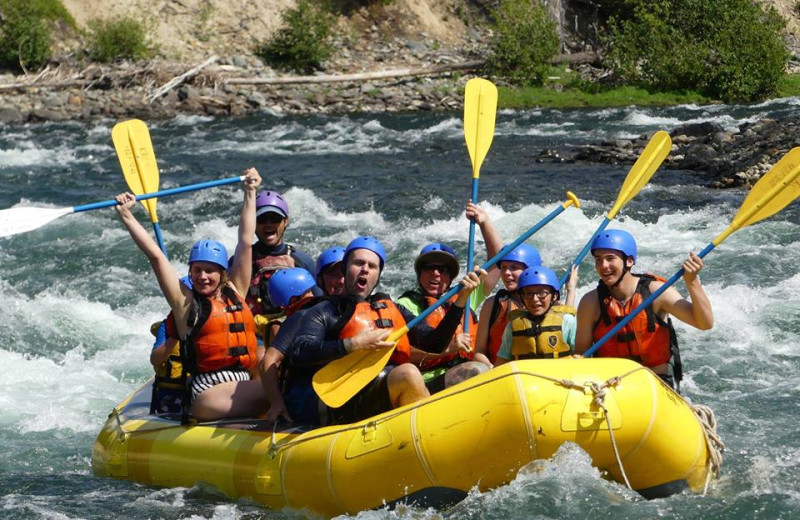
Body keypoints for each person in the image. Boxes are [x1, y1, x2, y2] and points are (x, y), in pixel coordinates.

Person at [264, 235, 484, 426]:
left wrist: (460, 300)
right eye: (358, 263)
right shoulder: (324, 311)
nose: (365, 269)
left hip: (384, 388)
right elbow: (301, 351)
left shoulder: (391, 308)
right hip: (341, 402)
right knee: (407, 373)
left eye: (372, 266)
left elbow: (433, 344)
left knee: (475, 371)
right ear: (344, 269)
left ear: (378, 275)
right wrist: (353, 344)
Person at [114, 168, 268, 421]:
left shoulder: (235, 290)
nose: (202, 277)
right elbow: (156, 257)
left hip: (240, 385)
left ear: (222, 273)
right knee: (281, 389)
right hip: (208, 393)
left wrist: (250, 192)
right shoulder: (185, 304)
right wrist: (127, 216)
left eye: (209, 271)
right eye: (197, 270)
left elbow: (245, 240)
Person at [574, 229, 714, 390]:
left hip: (655, 382)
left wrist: (692, 281)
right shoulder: (590, 302)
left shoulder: (656, 292)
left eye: (610, 259)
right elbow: (581, 355)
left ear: (629, 261)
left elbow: (704, 323)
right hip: (609, 386)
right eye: (598, 260)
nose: (603, 266)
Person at [397, 242, 493, 393]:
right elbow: (403, 354)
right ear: (419, 273)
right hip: (428, 380)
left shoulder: (466, 293)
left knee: (484, 368)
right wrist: (449, 349)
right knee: (477, 370)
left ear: (450, 277)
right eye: (429, 268)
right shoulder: (405, 305)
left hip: (465, 367)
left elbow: (497, 262)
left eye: (443, 270)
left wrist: (483, 221)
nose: (436, 273)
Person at [246, 190, 317, 315]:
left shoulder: (303, 261)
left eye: (275, 218)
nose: (268, 224)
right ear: (253, 223)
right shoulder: (242, 262)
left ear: (286, 221)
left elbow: (319, 302)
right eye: (261, 219)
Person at [495, 265, 578, 364]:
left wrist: (571, 290)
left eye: (542, 293)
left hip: (560, 377)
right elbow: (501, 362)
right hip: (525, 377)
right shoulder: (512, 326)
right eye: (528, 294)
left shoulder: (567, 321)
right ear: (522, 297)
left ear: (554, 296)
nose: (535, 299)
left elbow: (580, 356)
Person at [475, 242, 542, 364]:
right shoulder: (492, 304)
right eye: (503, 267)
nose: (506, 272)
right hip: (498, 372)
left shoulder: (545, 304)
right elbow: (479, 352)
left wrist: (571, 291)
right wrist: (492, 370)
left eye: (514, 267)